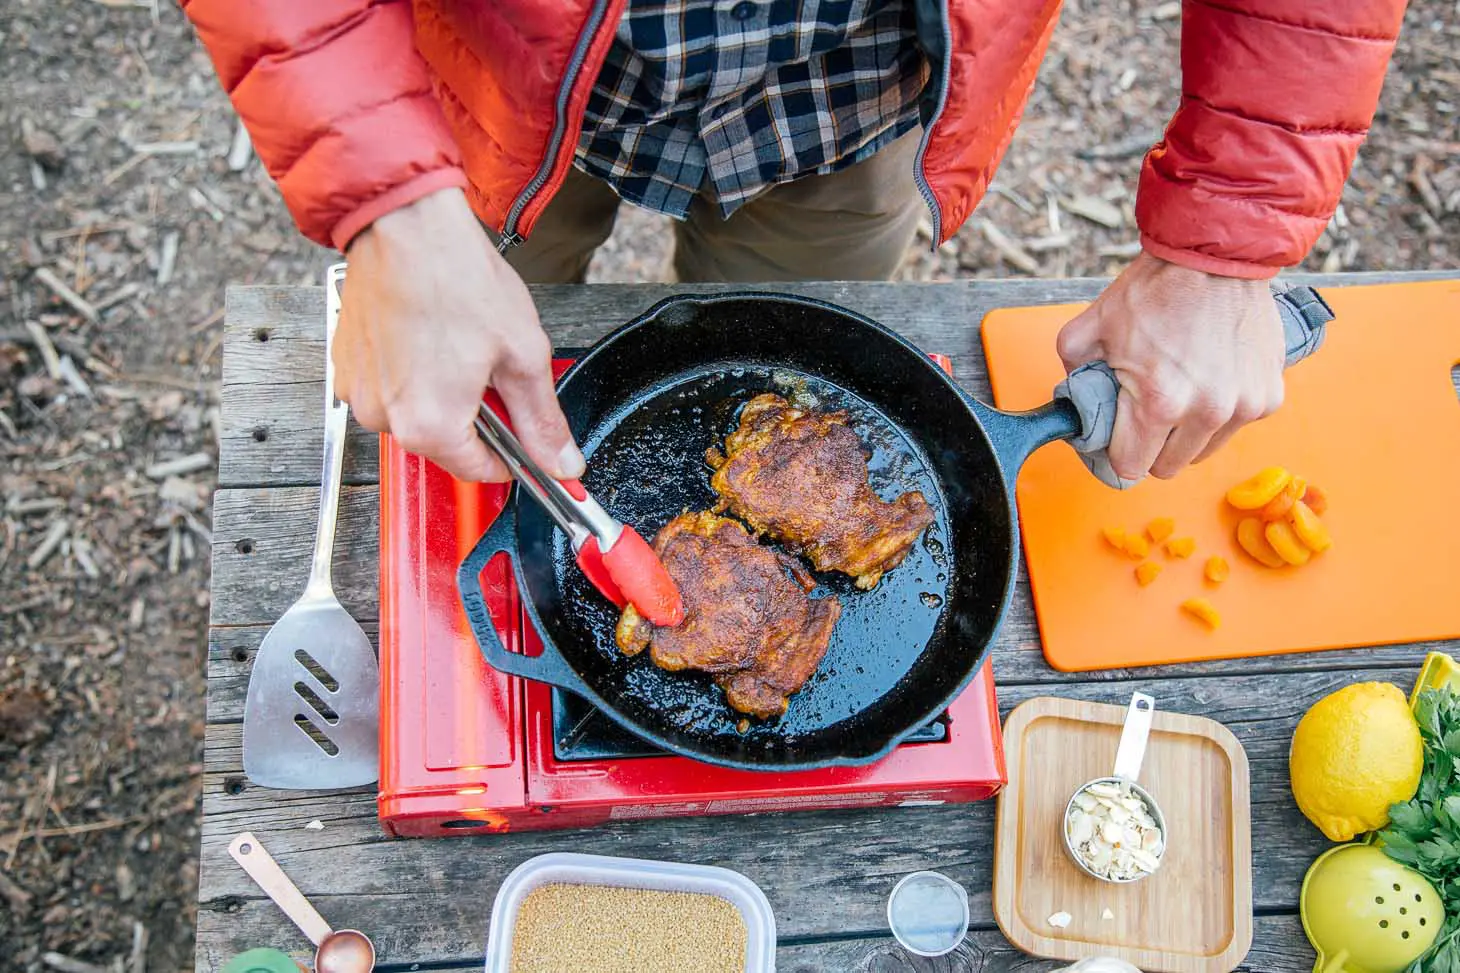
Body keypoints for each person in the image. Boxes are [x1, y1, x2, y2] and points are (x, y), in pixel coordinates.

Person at [182, 0, 1405, 487]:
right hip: (485, 87)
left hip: (849, 99)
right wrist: (389, 204)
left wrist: (1227, 236)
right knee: (455, 400)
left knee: (768, 377)